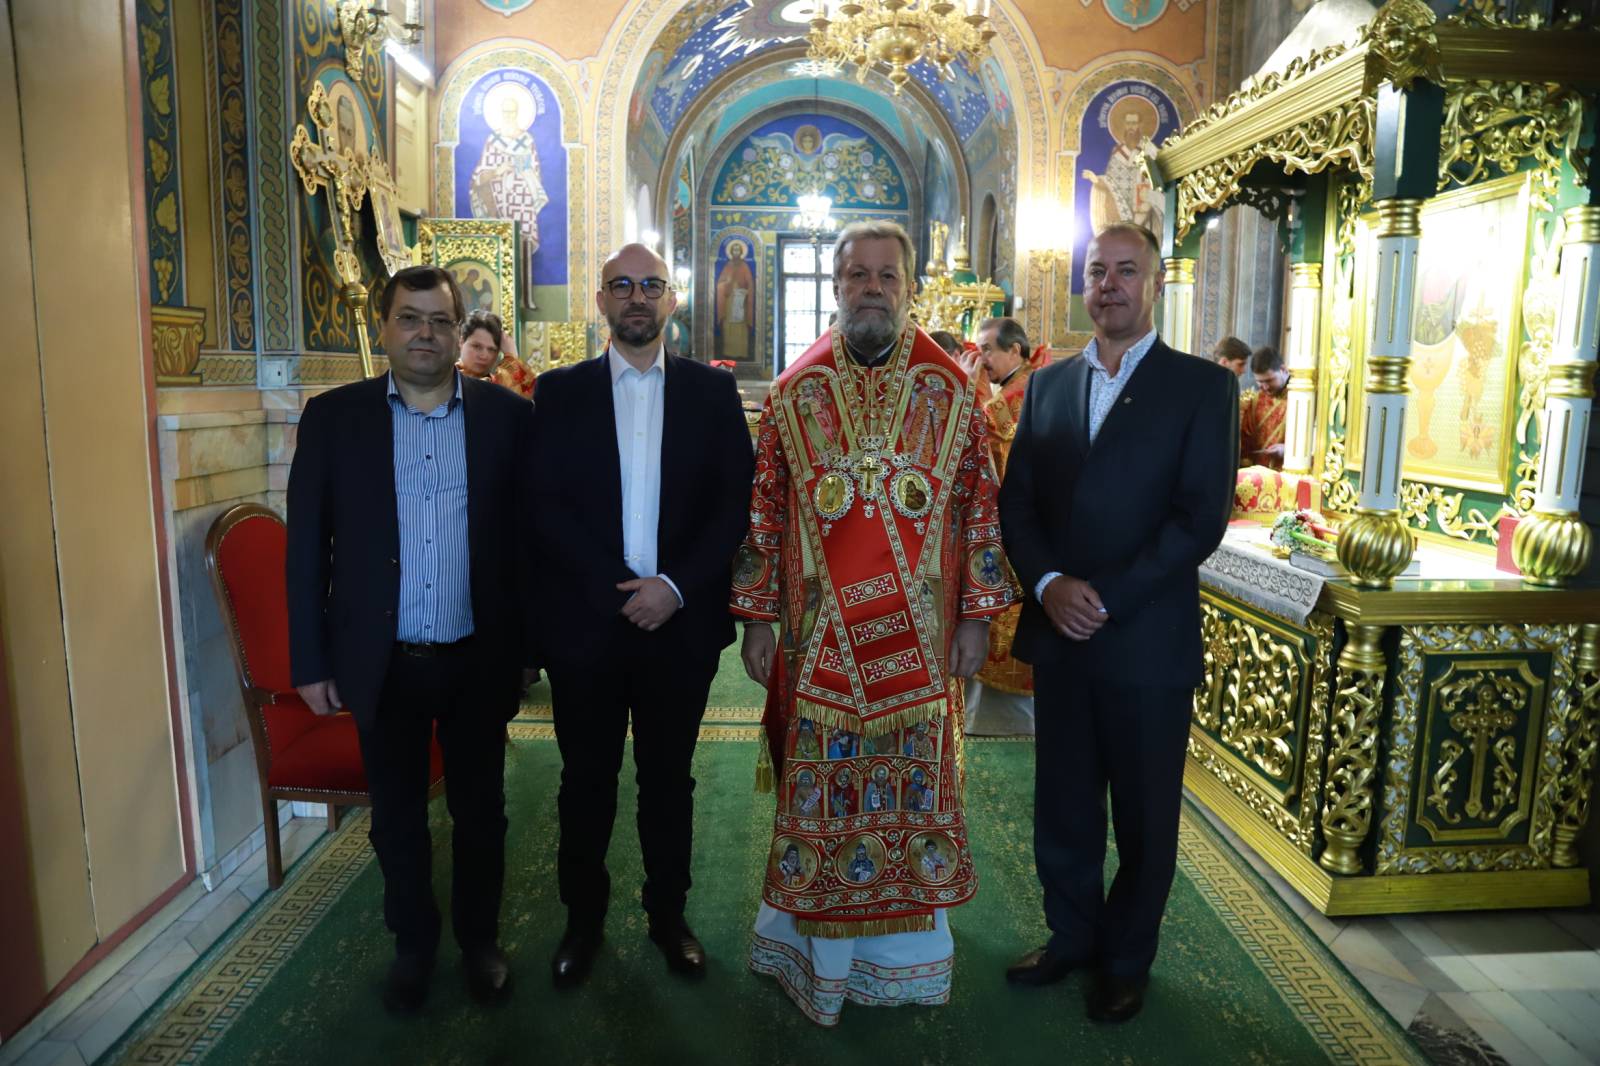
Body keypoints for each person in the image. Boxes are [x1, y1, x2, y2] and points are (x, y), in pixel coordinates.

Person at [734, 219, 1015, 1026]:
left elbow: (980, 508)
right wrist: (757, 618)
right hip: (818, 640)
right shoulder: (795, 392)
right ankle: (815, 953)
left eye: (887, 276)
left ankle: (905, 959)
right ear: (835, 286)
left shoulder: (951, 391)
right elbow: (766, 513)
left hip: (920, 641)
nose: (872, 288)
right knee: (824, 790)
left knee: (908, 791)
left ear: (910, 287)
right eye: (857, 274)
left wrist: (976, 618)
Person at [998, 222, 1236, 1023]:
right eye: (1097, 271)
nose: (1109, 285)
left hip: (1143, 640)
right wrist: (1049, 583)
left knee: (1143, 812)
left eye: (1126, 271)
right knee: (1064, 804)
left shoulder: (1201, 387)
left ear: (1156, 284)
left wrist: (1104, 597)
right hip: (1062, 636)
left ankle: (1126, 960)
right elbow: (1018, 502)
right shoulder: (1049, 385)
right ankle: (1070, 937)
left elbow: (1199, 518)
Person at [286, 264, 533, 1015]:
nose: (425, 333)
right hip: (381, 659)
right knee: (396, 818)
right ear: (384, 327)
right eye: (409, 318)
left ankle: (480, 941)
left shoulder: (507, 417)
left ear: (459, 332)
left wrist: (528, 652)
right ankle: (413, 946)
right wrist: (311, 660)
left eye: (439, 320)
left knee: (481, 812)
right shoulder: (334, 419)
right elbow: (306, 549)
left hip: (476, 656)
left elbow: (529, 542)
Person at [528, 243, 753, 990]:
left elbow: (733, 504)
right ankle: (583, 921)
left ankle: (668, 917)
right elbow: (545, 505)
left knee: (668, 780)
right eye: (621, 285)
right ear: (601, 300)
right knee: (585, 780)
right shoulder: (559, 392)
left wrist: (675, 587)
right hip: (586, 626)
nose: (636, 297)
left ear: (672, 300)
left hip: (679, 627)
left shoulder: (712, 393)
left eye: (650, 285)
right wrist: (618, 589)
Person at [966, 316, 1037, 736]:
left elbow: (978, 432)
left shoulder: (1021, 391)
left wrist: (966, 387)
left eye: (988, 350)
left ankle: (1004, 717)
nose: (982, 359)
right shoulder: (1018, 386)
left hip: (1014, 524)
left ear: (1015, 350)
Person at [457, 309, 535, 399]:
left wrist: (511, 356)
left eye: (491, 350)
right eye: (477, 346)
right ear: (461, 342)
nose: (483, 355)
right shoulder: (447, 380)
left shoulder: (496, 384)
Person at [1239, 345, 1289, 470]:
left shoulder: (1301, 400)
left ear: (1283, 370)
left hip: (1288, 472)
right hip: (1259, 475)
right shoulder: (1256, 402)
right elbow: (1246, 443)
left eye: (1269, 380)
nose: (1265, 387)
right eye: (1260, 382)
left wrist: (1286, 450)